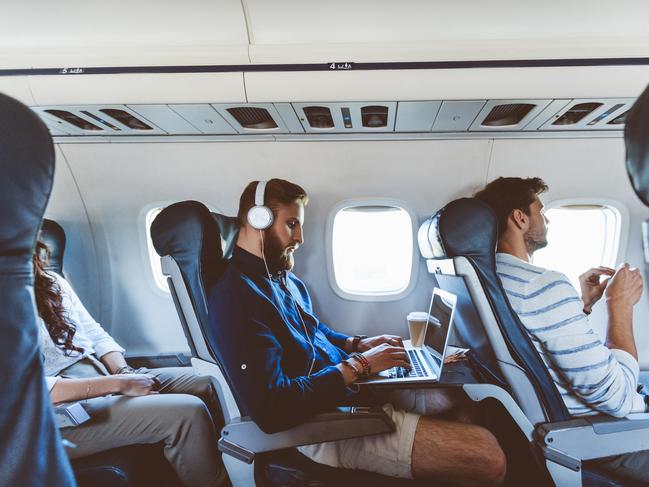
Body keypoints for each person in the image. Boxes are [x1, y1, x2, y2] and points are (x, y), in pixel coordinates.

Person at [207, 178, 506, 486]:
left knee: (451, 398)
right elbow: (273, 409)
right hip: (318, 425)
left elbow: (315, 332)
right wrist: (359, 365)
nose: (300, 238)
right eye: (292, 224)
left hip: (344, 393)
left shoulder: (284, 280)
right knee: (489, 457)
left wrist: (358, 344)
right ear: (258, 220)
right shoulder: (237, 299)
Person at [475, 176, 649, 483]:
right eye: (541, 211)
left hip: (575, 414)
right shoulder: (542, 284)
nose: (546, 220)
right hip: (604, 434)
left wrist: (581, 305)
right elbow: (618, 399)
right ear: (520, 217)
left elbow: (538, 345)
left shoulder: (493, 279)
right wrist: (619, 306)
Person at [34, 240, 226, 487]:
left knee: (211, 382)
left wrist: (124, 371)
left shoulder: (49, 282)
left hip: (101, 373)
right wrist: (119, 384)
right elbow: (33, 389)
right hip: (55, 413)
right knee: (188, 413)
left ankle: (242, 468)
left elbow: (95, 334)